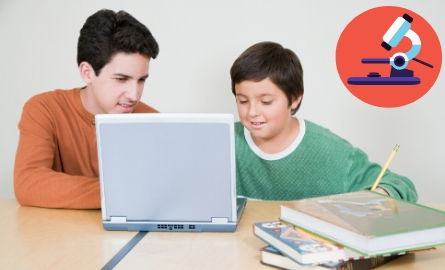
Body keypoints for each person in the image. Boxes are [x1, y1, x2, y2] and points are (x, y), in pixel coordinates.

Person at [229, 41, 418, 202]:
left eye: (266, 102)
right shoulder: (222, 139)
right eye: (243, 101)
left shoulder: (332, 152)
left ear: (294, 98)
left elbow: (402, 186)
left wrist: (380, 194)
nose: (252, 112)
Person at [14, 9, 159, 209]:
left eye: (141, 80)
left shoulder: (152, 121)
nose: (134, 95)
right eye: (121, 79)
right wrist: (119, 192)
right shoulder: (44, 110)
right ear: (87, 72)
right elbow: (28, 183)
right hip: (56, 236)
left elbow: (165, 192)